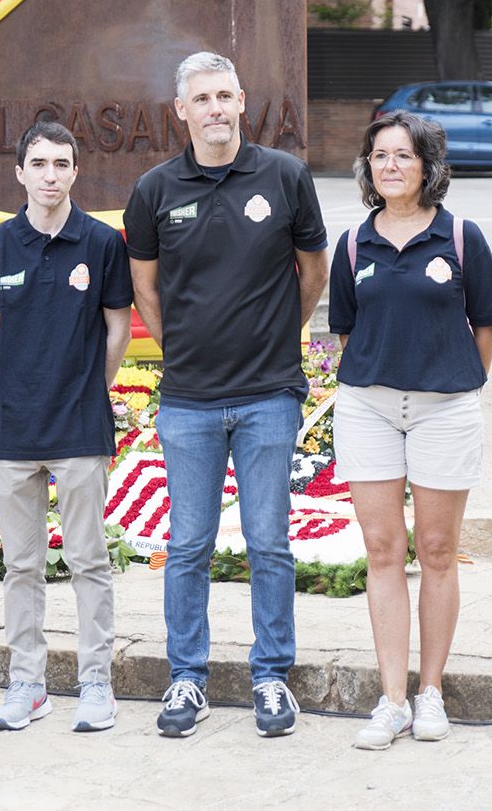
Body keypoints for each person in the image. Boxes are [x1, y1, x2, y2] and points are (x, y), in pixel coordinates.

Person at [123, 51, 329, 738]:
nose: (213, 108)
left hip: (269, 394)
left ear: (242, 101)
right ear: (179, 111)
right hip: (189, 401)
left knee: (269, 543)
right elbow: (145, 285)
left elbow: (312, 270)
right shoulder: (154, 190)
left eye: (223, 96)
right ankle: (187, 679)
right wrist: (181, 348)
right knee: (188, 546)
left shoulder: (285, 176)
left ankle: (272, 677)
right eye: (199, 99)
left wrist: (276, 338)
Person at [326, 111, 492, 750]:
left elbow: (486, 327)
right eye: (379, 156)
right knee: (382, 551)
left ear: (428, 166)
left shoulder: (462, 238)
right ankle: (392, 700)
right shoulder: (353, 245)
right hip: (368, 408)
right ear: (368, 168)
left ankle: (430, 692)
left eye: (403, 155)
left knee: (435, 551)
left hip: (445, 410)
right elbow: (347, 331)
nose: (391, 166)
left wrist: (455, 383)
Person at [0, 121, 134, 734]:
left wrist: (90, 383)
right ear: (20, 172)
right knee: (21, 565)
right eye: (38, 163)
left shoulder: (100, 243)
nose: (50, 174)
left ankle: (96, 683)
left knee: (89, 561)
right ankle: (27, 685)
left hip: (79, 426)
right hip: (13, 430)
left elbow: (117, 326)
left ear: (74, 171)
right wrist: (22, 378)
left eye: (61, 164)